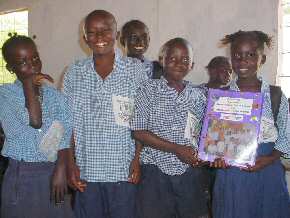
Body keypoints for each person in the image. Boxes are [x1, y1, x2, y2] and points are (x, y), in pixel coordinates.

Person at [63, 10, 150, 218]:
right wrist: (70, 164)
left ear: (117, 33)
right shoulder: (74, 72)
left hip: (123, 171)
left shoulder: (134, 70)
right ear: (85, 38)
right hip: (87, 172)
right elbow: (66, 122)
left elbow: (142, 118)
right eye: (92, 32)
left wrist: (137, 159)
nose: (99, 37)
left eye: (106, 31)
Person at [212, 30, 290, 218]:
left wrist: (270, 158)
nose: (243, 60)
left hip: (267, 167)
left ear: (262, 59)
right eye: (237, 55)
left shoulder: (275, 95)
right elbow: (214, 138)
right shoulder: (220, 96)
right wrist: (216, 157)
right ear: (231, 59)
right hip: (232, 172)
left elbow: (286, 135)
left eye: (251, 55)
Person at [131, 37, 209, 218]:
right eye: (172, 58)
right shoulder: (147, 89)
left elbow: (206, 133)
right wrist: (176, 149)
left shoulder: (199, 96)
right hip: (155, 172)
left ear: (192, 65)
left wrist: (204, 155)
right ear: (162, 60)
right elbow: (139, 131)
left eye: (185, 59)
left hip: (189, 172)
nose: (179, 63)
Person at [0, 35, 73, 218]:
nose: (32, 64)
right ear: (11, 68)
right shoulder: (5, 94)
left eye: (35, 58)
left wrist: (61, 169)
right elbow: (35, 121)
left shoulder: (56, 96)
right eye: (23, 62)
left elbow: (64, 135)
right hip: (22, 174)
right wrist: (28, 84)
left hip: (53, 172)